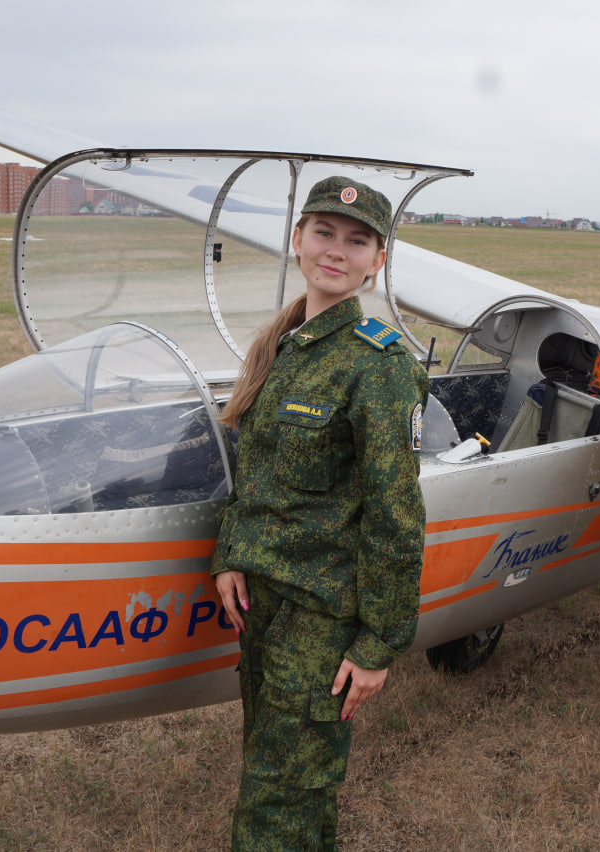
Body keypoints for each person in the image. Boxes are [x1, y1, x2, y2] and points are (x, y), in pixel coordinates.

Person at [212, 176, 428, 850]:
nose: (336, 251)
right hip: (265, 607)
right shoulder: (286, 345)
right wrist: (229, 555)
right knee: (291, 784)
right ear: (298, 239)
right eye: (324, 233)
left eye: (356, 240)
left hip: (321, 622)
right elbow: (257, 471)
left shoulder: (379, 366)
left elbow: (397, 515)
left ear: (378, 260)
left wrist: (375, 646)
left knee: (273, 809)